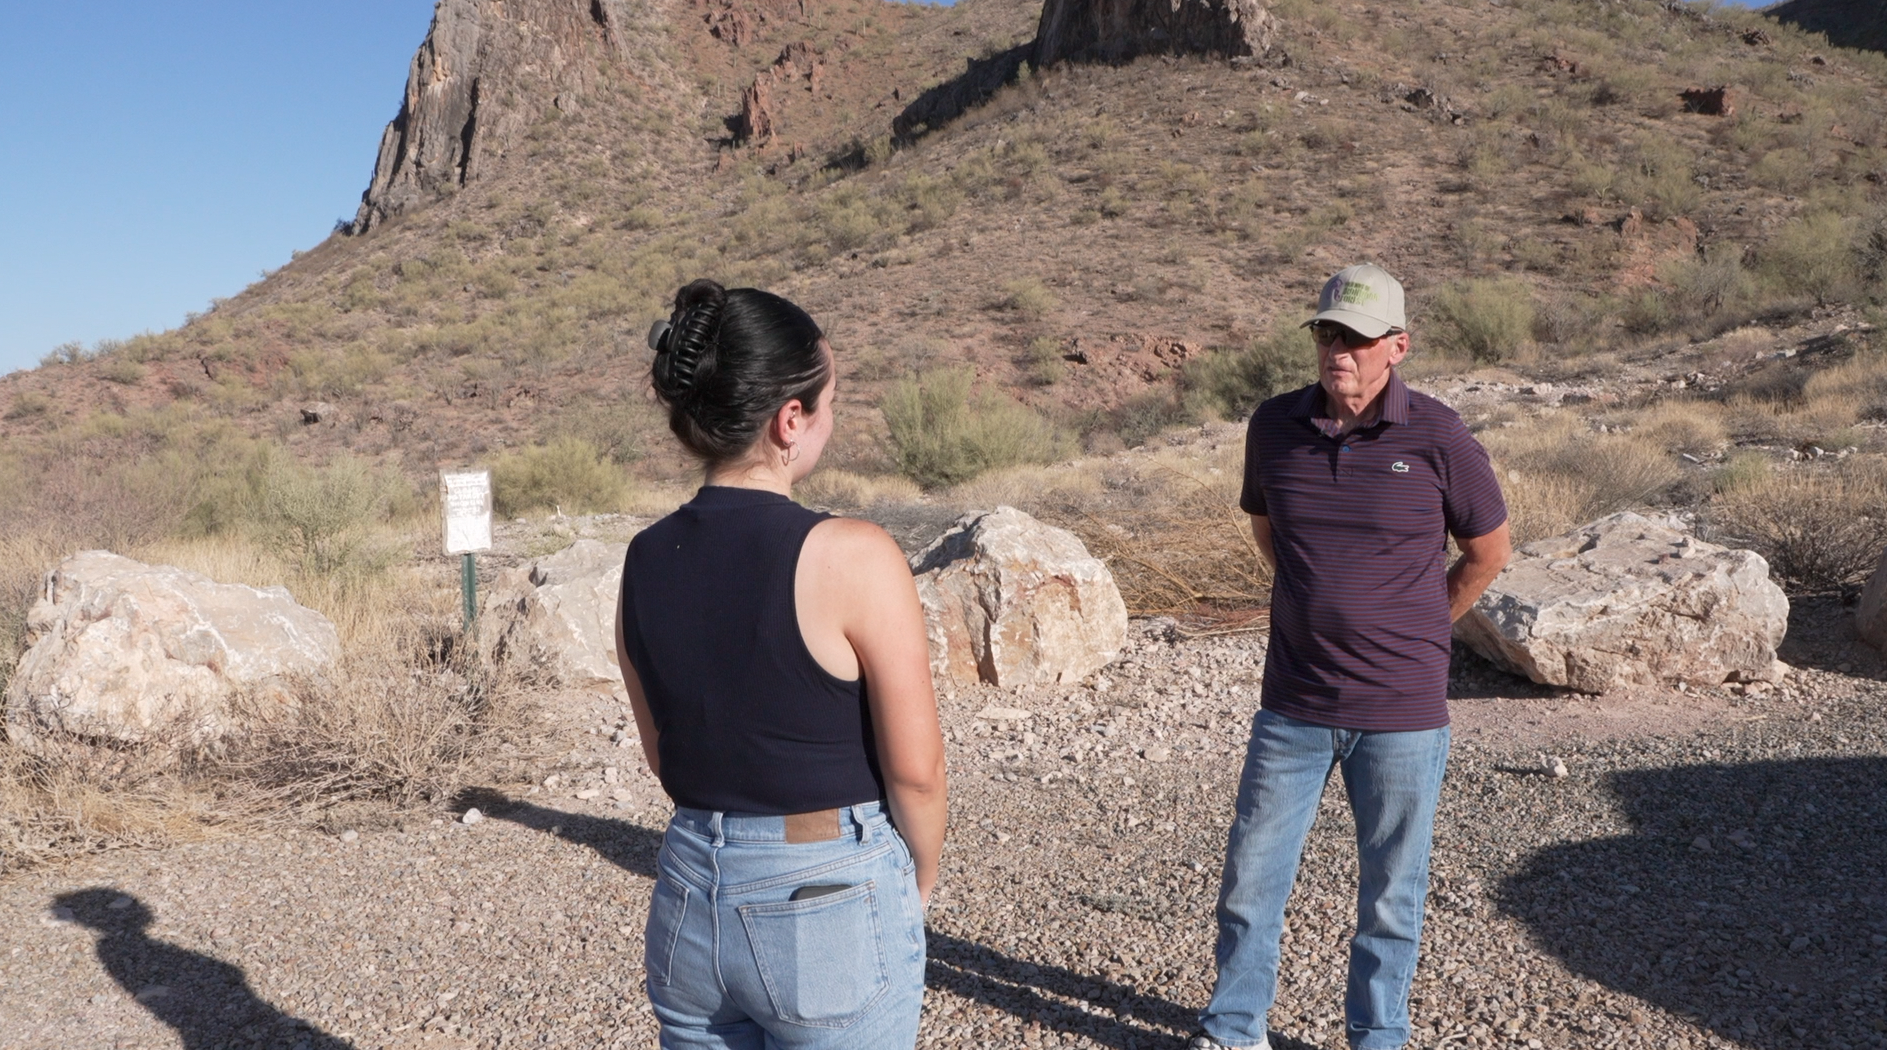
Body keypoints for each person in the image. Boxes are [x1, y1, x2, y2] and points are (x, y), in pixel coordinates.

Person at [615, 279, 946, 1050]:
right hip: (823, 888)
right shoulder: (853, 554)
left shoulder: (642, 558)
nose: (833, 417)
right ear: (788, 420)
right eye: (829, 400)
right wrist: (913, 883)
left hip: (689, 891)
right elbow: (918, 771)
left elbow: (667, 756)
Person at [1192, 264, 1512, 1050]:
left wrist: (1419, 625)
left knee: (1392, 896)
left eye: (1358, 338)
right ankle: (1233, 1032)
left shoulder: (1437, 435)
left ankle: (1377, 1036)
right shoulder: (1272, 426)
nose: (1339, 350)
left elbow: (1488, 551)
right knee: (1249, 883)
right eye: (1327, 333)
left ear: (1396, 346)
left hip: (1401, 713)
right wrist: (1319, 601)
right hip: (1292, 704)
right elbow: (1270, 533)